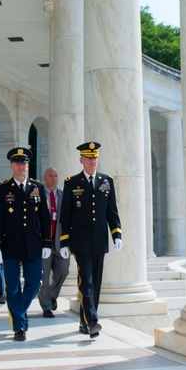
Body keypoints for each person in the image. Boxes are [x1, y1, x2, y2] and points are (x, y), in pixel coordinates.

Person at [59, 142, 122, 339]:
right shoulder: (72, 182)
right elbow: (65, 215)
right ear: (81, 160)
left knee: (95, 282)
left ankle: (84, 321)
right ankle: (93, 321)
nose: (93, 161)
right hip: (80, 240)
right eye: (89, 158)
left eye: (95, 158)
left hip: (100, 239)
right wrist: (63, 241)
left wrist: (116, 233)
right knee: (85, 281)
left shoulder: (106, 181)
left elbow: (112, 211)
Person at [0, 148, 52, 341]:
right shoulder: (2, 189)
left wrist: (47, 242)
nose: (21, 166)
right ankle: (19, 326)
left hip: (33, 243)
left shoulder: (37, 188)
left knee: (35, 282)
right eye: (17, 163)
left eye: (24, 163)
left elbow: (44, 217)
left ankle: (19, 313)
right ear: (11, 165)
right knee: (12, 287)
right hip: (10, 244)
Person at [38, 167, 71, 317]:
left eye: (56, 176)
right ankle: (46, 306)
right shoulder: (37, 195)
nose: (53, 178)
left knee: (63, 271)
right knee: (44, 275)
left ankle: (52, 295)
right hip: (43, 242)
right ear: (44, 178)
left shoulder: (64, 196)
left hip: (60, 242)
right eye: (50, 176)